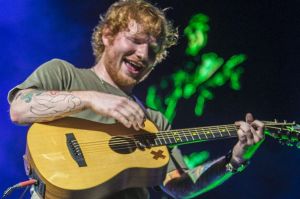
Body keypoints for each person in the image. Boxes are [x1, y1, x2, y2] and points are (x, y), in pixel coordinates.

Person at [8, 0, 264, 198]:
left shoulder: (154, 120)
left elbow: (178, 186)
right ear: (107, 35)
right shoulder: (63, 73)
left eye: (153, 50)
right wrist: (90, 98)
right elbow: (20, 108)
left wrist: (235, 159)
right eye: (136, 40)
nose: (143, 54)